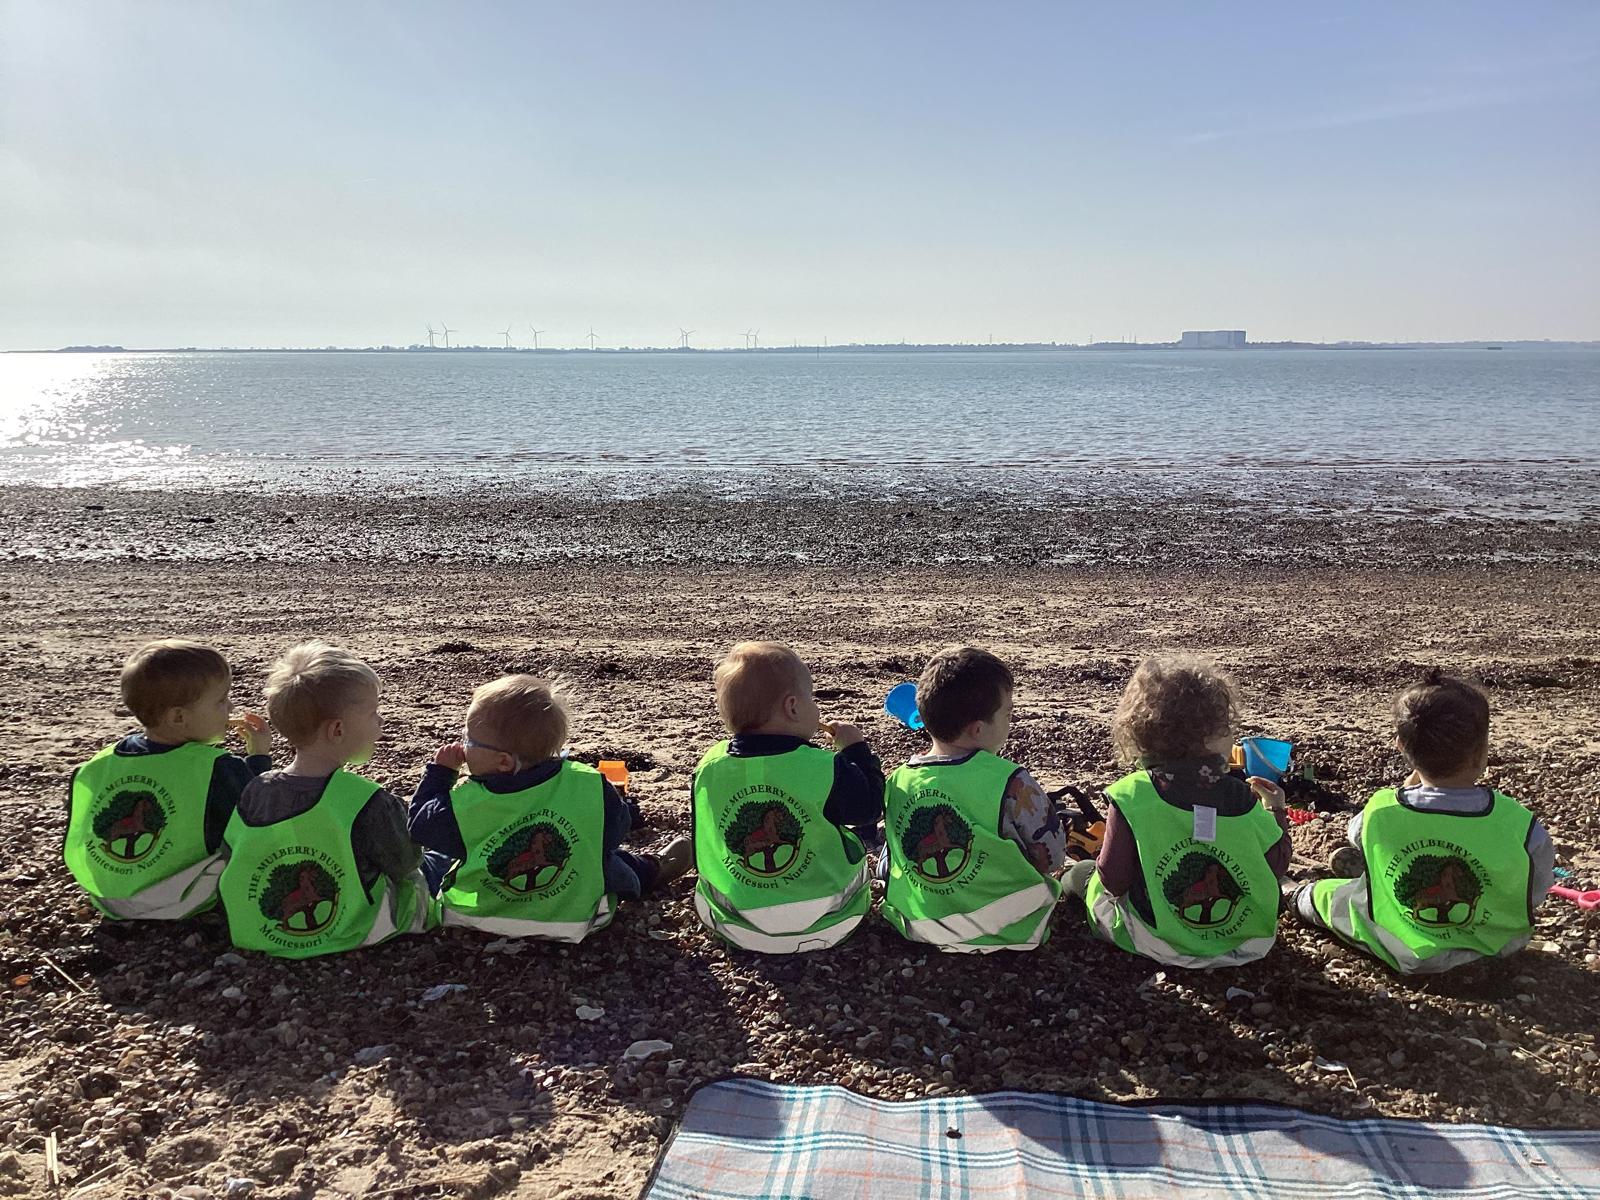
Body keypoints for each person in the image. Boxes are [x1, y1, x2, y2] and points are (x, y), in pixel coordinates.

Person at [1293, 670, 1553, 974]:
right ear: (1483, 752)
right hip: (1497, 947)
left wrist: (1404, 793)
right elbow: (1536, 890)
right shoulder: (1519, 823)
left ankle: (1296, 897)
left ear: (1402, 746)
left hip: (1403, 946)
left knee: (1329, 896)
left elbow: (1357, 834)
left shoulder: (1381, 810)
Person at [410, 674, 691, 941]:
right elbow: (615, 832)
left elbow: (419, 825)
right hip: (572, 920)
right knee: (603, 859)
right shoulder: (588, 784)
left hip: (480, 918)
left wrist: (440, 775)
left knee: (439, 857)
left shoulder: (465, 804)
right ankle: (651, 870)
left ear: (504, 762)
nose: (463, 745)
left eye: (468, 739)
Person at [1065, 656, 1291, 968]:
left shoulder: (1132, 795)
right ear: (1209, 737)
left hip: (1159, 942)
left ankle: (1066, 881)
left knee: (1086, 876)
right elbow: (1275, 866)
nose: (1233, 736)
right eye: (1227, 727)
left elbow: (1114, 880)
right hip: (1244, 942)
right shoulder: (1241, 797)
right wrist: (1277, 810)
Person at [217, 642, 430, 957]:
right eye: (373, 713)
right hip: (351, 932)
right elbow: (405, 862)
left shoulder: (256, 789)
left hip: (255, 933)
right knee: (430, 867)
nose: (380, 722)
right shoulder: (365, 799)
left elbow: (230, 856)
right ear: (338, 730)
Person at [692, 641, 882, 952]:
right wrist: (856, 751)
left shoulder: (709, 767)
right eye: (812, 697)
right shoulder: (826, 767)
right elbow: (869, 809)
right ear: (792, 707)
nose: (815, 706)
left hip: (737, 923)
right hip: (830, 919)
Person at [64, 639, 272, 919]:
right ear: (178, 717)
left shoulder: (98, 765)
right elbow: (260, 811)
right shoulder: (216, 768)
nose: (231, 706)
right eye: (221, 700)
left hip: (108, 896)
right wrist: (259, 758)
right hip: (184, 898)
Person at [880, 645, 1065, 952]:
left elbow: (890, 862)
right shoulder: (1011, 781)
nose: (1010, 722)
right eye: (1007, 714)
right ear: (978, 729)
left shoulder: (898, 780)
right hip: (1012, 928)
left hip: (918, 926)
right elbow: (1053, 856)